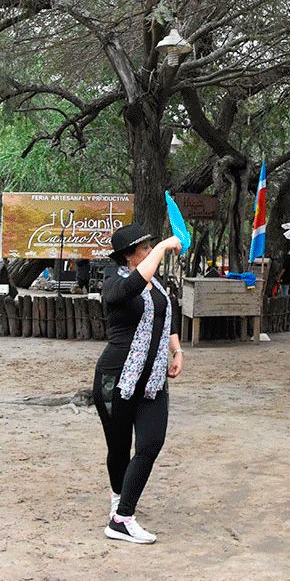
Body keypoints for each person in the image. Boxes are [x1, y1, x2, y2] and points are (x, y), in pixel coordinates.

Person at [93, 224, 185, 544]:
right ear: (129, 255)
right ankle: (120, 508)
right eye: (145, 248)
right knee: (119, 448)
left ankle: (121, 516)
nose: (150, 251)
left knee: (150, 443)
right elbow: (129, 289)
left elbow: (166, 317)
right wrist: (161, 248)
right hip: (115, 378)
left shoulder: (157, 285)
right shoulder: (114, 281)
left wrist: (177, 351)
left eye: (150, 246)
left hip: (153, 379)